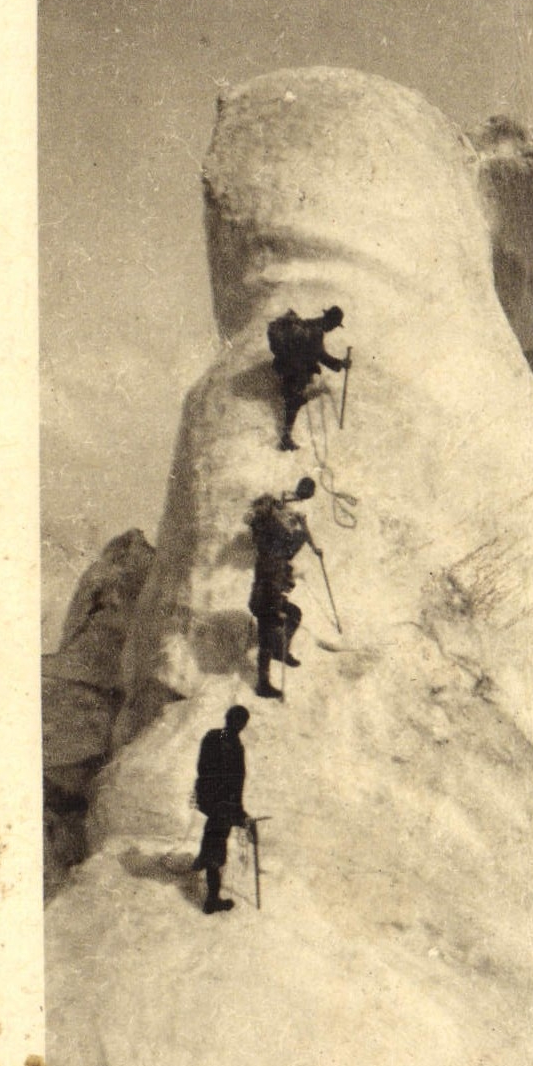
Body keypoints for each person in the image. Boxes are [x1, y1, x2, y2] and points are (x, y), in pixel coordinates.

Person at [246, 479, 322, 699]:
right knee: (266, 640)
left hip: (269, 598)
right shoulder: (270, 558)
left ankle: (282, 650)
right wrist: (278, 606)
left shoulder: (275, 556)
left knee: (294, 615)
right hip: (266, 601)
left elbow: (282, 576)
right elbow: (271, 583)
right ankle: (263, 683)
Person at [191, 705, 251, 914]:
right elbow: (234, 783)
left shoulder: (213, 736)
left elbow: (203, 770)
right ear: (242, 724)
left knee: (212, 835)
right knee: (216, 849)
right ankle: (212, 900)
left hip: (211, 801)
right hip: (222, 806)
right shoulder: (233, 746)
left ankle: (202, 858)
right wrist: (237, 811)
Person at [267, 306, 348, 450]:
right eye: (335, 325)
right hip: (291, 367)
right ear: (330, 322)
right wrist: (341, 364)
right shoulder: (317, 332)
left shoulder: (312, 323)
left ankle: (286, 435)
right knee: (294, 401)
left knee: (295, 395)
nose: (333, 329)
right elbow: (323, 357)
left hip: (285, 362)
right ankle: (285, 439)